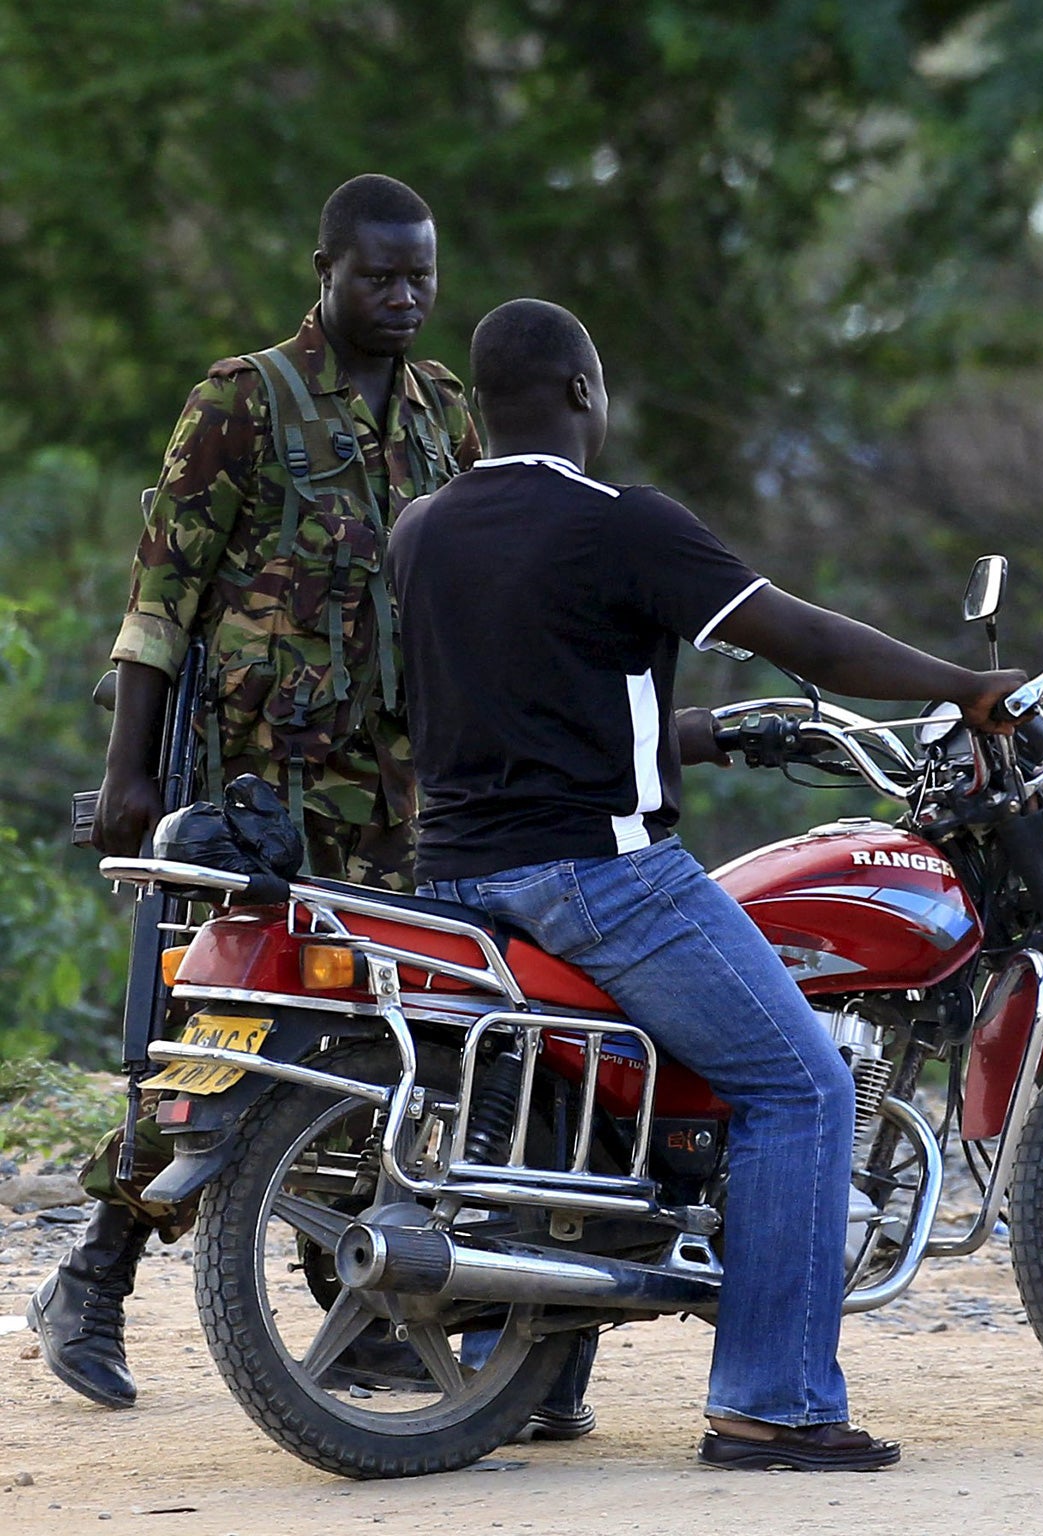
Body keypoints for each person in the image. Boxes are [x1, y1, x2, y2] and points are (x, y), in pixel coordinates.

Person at [389, 297, 1026, 1471]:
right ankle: (771, 1404)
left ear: (482, 406)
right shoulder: (622, 524)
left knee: (571, 1116)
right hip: (600, 877)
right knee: (801, 1087)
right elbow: (807, 639)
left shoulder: (422, 528)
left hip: (456, 882)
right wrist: (963, 687)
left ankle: (521, 1383)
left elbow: (518, 706)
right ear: (585, 393)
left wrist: (706, 734)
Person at [31, 174, 483, 1411]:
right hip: (263, 800)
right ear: (324, 272)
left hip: (403, 798)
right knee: (222, 1050)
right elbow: (160, 600)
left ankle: (349, 1295)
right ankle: (98, 1273)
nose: (401, 299)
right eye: (377, 277)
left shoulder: (444, 412)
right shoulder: (245, 401)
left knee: (382, 1053)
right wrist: (127, 775)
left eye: (420, 279)